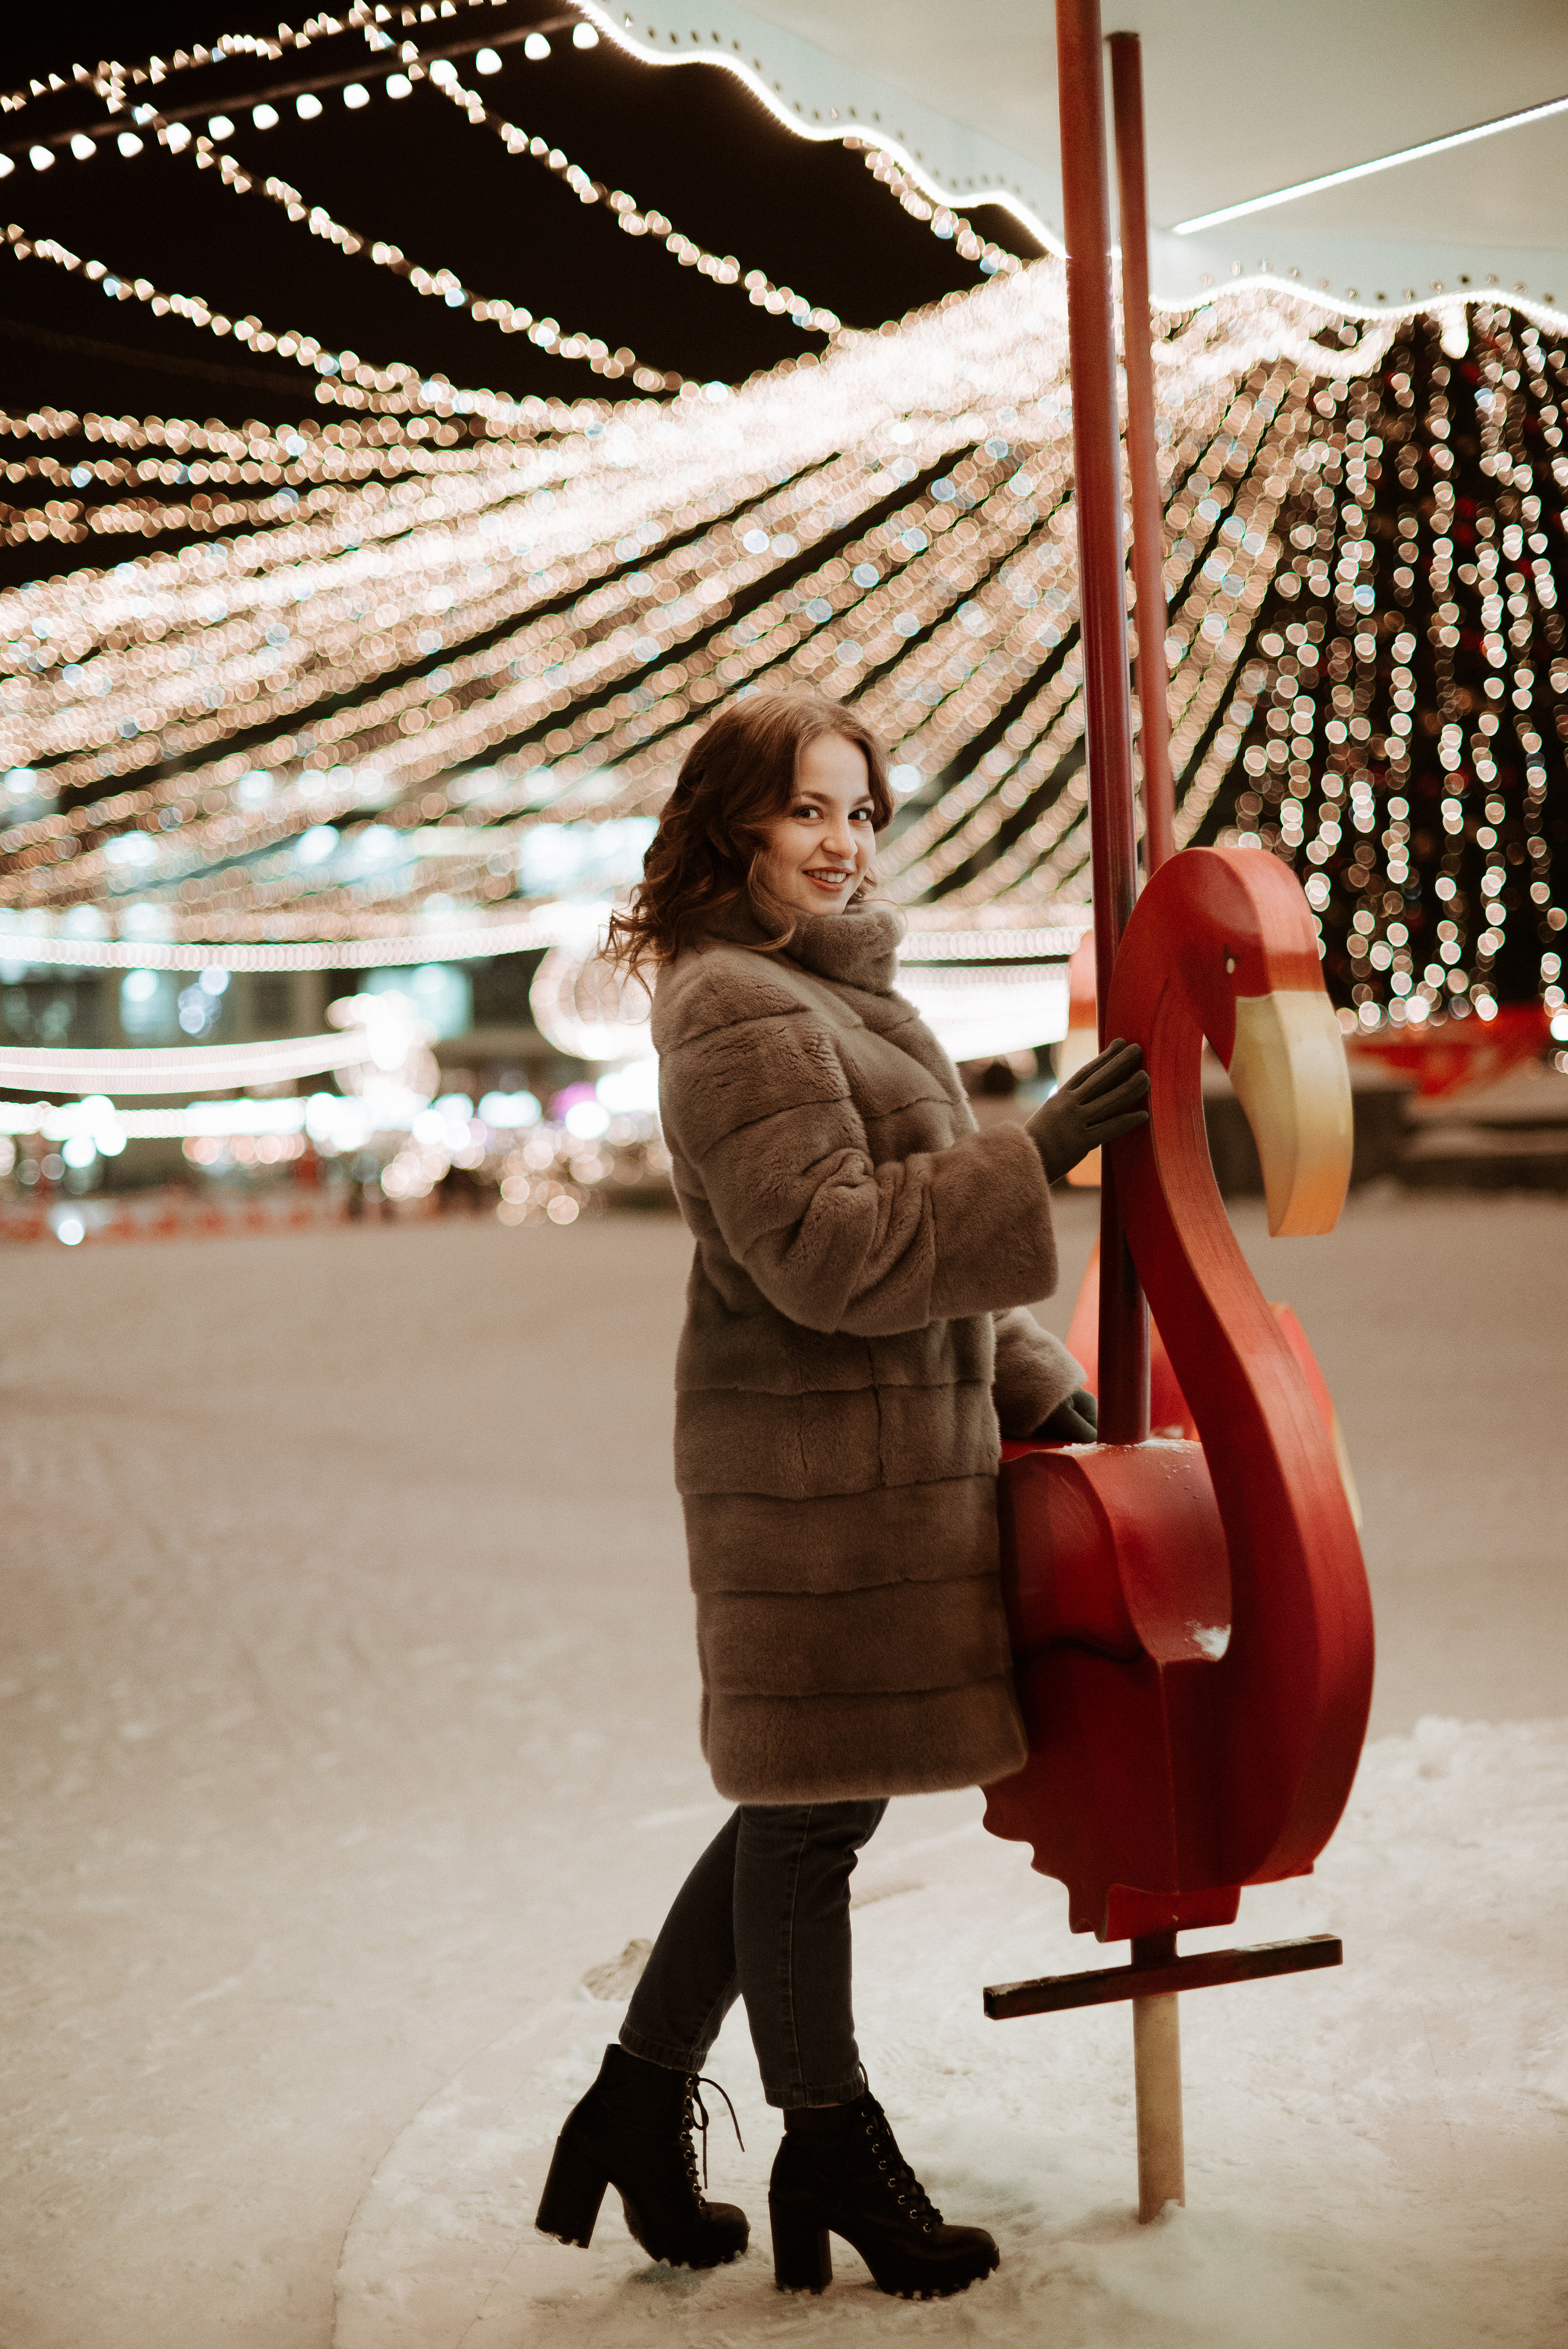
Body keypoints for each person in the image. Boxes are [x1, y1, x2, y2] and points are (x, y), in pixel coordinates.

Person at [534, 692, 1148, 2299]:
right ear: (736, 822)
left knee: (805, 1801)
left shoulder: (844, 997)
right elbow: (830, 1248)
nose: (844, 841)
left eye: (864, 811)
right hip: (813, 1486)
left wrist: (1040, 1380)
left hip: (889, 1478)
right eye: (811, 809)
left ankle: (636, 2098)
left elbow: (926, 1237)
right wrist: (1039, 1155)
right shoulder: (732, 1004)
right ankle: (830, 2134)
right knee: (811, 1818)